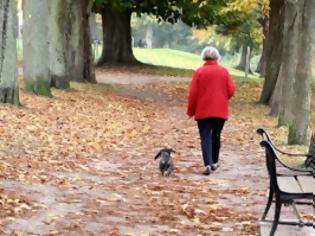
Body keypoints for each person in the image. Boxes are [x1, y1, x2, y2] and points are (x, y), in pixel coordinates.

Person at [187, 46, 235, 175]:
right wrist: (223, 99)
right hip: (220, 110)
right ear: (217, 57)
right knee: (216, 136)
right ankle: (214, 161)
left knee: (205, 137)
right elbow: (231, 90)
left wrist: (191, 110)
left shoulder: (199, 72)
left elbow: (193, 93)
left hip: (203, 110)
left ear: (204, 57)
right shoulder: (224, 72)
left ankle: (208, 163)